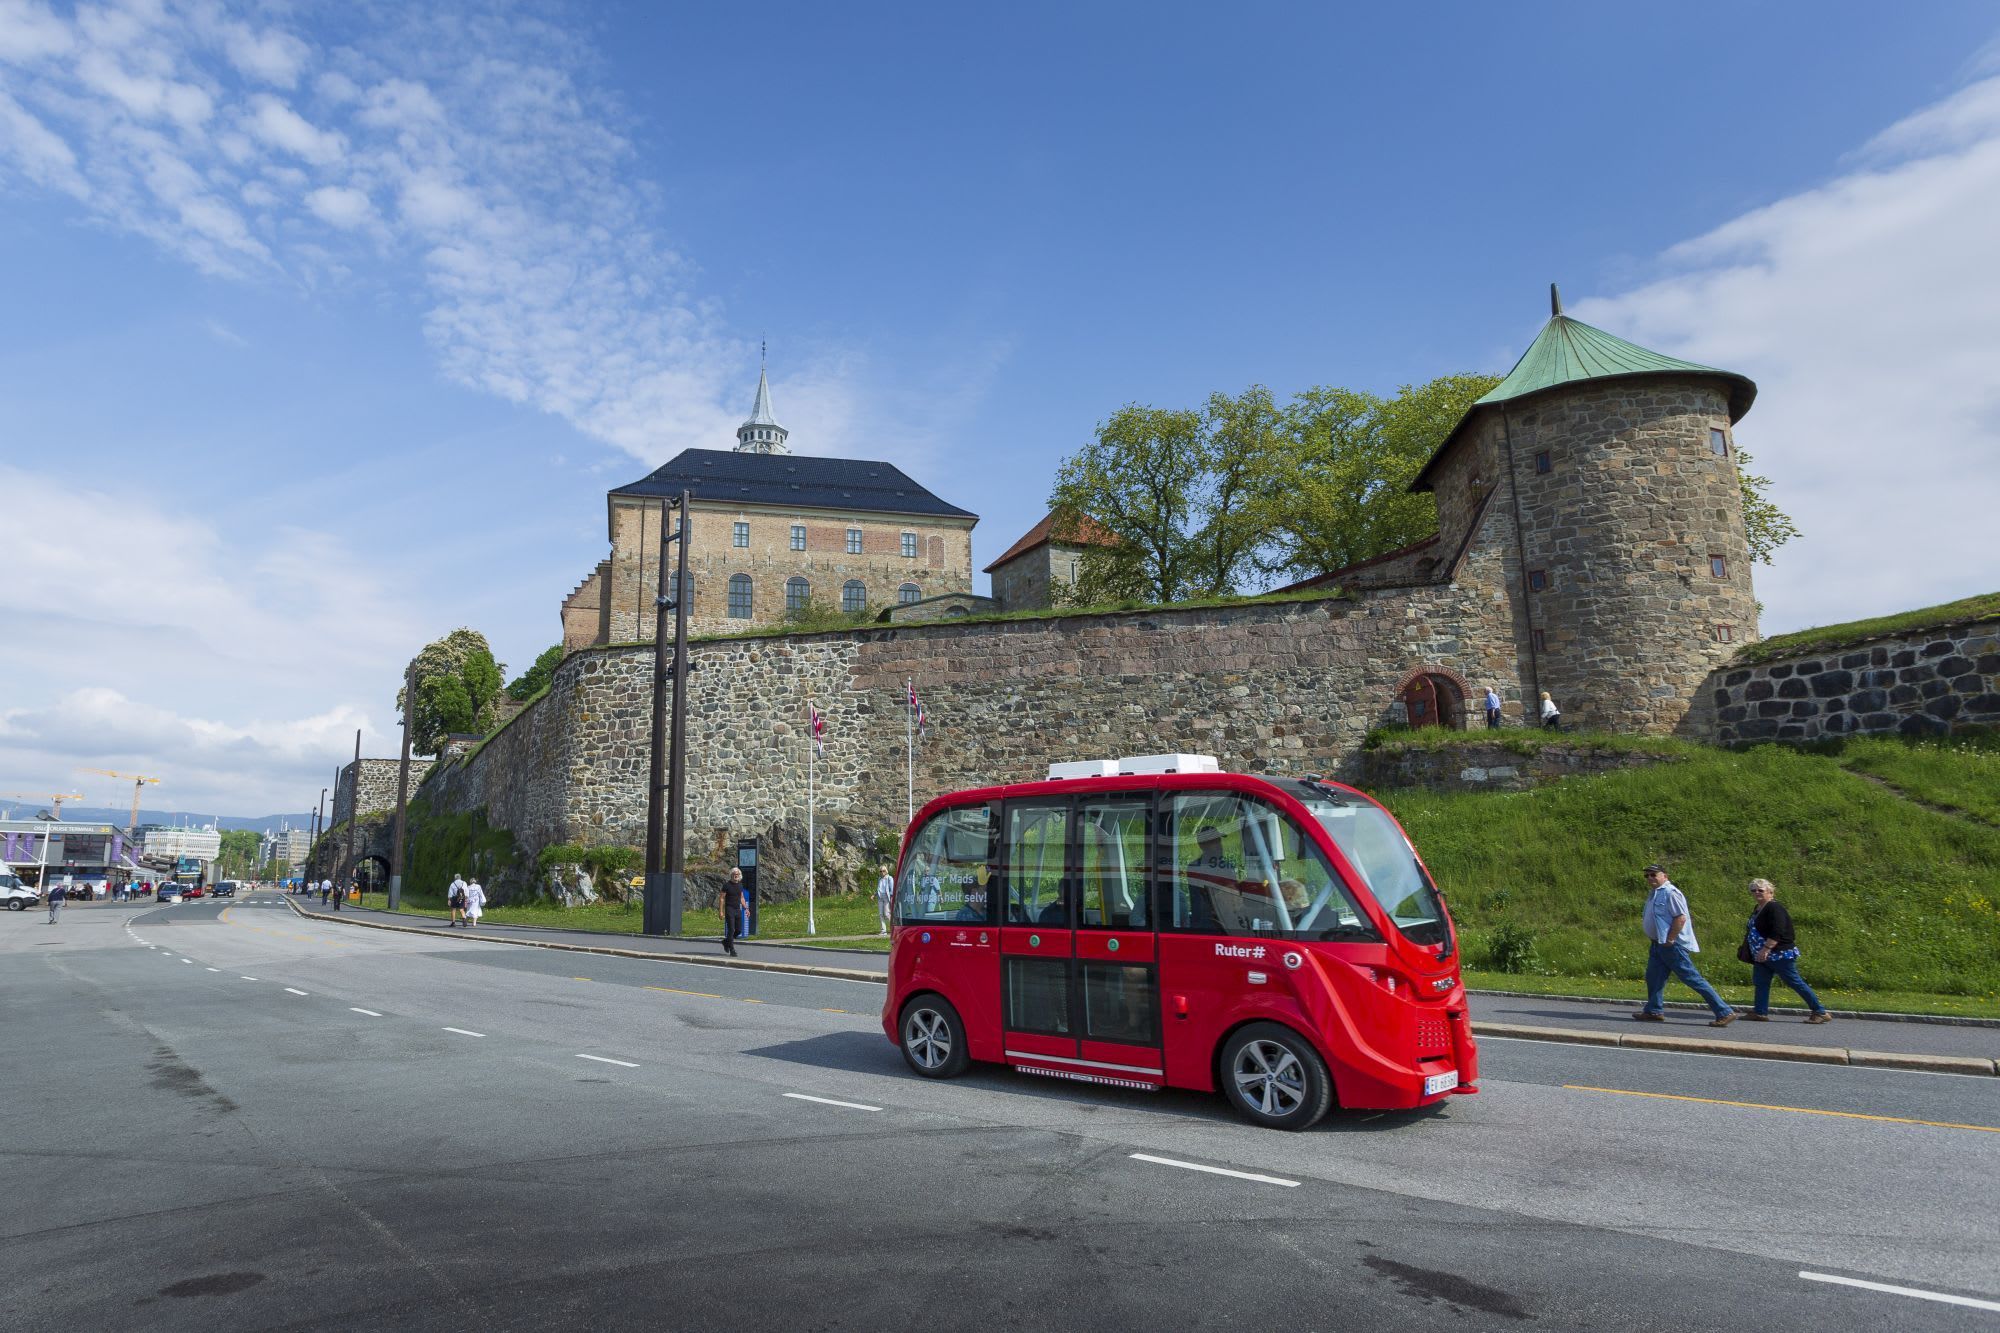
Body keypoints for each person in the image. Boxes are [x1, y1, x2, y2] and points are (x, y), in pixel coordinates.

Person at [1637, 863, 1735, 1026]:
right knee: (1654, 977)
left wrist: (1671, 939)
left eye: (1654, 874)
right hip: (1657, 944)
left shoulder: (1671, 892)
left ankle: (1724, 1011)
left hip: (1671, 945)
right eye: (1647, 875)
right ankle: (1653, 1010)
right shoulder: (1654, 893)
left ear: (1664, 876)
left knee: (1692, 978)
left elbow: (1680, 918)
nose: (1650, 878)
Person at [1743, 878, 1831, 1024]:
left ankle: (1819, 1011)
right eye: (1753, 890)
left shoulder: (1774, 908)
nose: (1756, 893)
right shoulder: (1758, 908)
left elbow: (1778, 930)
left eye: (1760, 890)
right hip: (1760, 956)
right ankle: (1760, 1012)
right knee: (1761, 982)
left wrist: (1766, 949)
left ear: (1770, 892)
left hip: (1778, 954)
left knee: (1794, 982)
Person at [720, 868, 744, 957]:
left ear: (739, 875)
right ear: (731, 875)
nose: (736, 875)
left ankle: (726, 942)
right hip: (729, 909)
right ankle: (732, 949)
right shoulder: (726, 885)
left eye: (737, 873)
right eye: (734, 873)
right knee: (731, 930)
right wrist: (721, 912)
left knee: (738, 930)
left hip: (738, 909)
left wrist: (746, 907)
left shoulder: (740, 885)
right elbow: (722, 898)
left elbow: (741, 897)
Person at [875, 863, 895, 935]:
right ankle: (883, 931)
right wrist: (874, 895)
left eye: (883, 871)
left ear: (886, 871)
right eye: (880, 871)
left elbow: (892, 889)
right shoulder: (879, 879)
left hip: (886, 897)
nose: (882, 872)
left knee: (887, 914)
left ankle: (893, 929)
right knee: (881, 914)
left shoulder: (889, 878)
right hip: (880, 897)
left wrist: (891, 897)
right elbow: (878, 889)